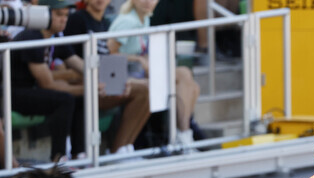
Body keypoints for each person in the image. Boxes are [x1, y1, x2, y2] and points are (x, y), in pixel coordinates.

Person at [108, 0, 201, 149]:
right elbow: (109, 53)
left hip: (140, 71)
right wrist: (137, 59)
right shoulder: (127, 20)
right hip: (125, 74)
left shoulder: (144, 18)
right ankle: (184, 136)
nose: (148, 2)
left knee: (192, 87)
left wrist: (145, 60)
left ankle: (183, 135)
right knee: (184, 74)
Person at [63, 0, 151, 156]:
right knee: (143, 89)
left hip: (103, 81)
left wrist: (122, 80)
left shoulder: (104, 23)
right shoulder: (77, 19)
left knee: (148, 88)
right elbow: (66, 59)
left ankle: (124, 148)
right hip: (82, 85)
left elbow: (107, 60)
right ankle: (118, 151)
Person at [9, 0, 84, 162]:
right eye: (58, 14)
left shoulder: (55, 37)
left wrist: (104, 81)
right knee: (65, 100)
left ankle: (80, 154)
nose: (64, 19)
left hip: (31, 91)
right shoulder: (32, 36)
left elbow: (82, 66)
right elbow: (47, 84)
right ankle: (59, 158)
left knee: (79, 97)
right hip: (12, 94)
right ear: (44, 14)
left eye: (66, 15)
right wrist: (88, 88)